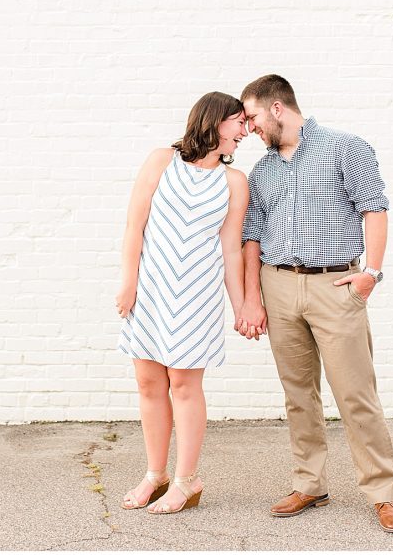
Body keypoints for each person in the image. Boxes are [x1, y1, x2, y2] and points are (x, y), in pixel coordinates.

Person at [235, 74, 393, 533]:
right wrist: (253, 297)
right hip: (278, 286)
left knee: (356, 395)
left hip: (336, 287)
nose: (247, 127)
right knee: (298, 395)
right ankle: (309, 483)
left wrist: (370, 273)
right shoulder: (262, 171)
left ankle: (383, 492)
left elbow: (375, 206)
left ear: (276, 108)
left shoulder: (345, 148)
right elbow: (251, 236)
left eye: (251, 117)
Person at [115, 92, 249, 515]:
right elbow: (135, 225)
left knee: (185, 387)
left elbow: (231, 251)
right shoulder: (160, 161)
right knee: (149, 384)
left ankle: (187, 480)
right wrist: (128, 283)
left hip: (197, 298)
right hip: (150, 293)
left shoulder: (234, 182)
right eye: (239, 123)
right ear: (214, 121)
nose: (245, 131)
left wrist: (243, 305)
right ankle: (155, 474)